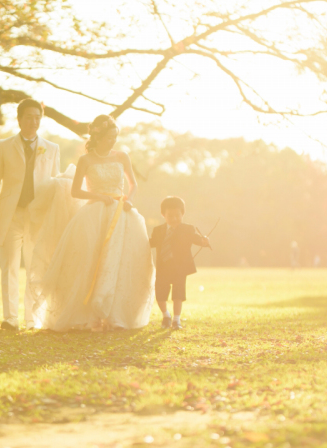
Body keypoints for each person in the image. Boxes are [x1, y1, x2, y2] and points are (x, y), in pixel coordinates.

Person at [33, 115, 154, 332]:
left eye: (115, 137)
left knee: (119, 261)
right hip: (94, 213)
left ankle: (115, 314)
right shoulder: (86, 160)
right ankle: (88, 314)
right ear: (97, 136)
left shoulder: (122, 156)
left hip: (120, 211)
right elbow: (76, 190)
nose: (113, 141)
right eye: (109, 137)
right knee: (90, 259)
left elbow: (133, 184)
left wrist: (129, 200)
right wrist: (99, 197)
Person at [0, 99, 61, 331]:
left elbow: (56, 183)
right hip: (11, 213)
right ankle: (10, 319)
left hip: (39, 214)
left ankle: (32, 318)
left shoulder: (52, 148)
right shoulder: (4, 145)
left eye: (38, 117)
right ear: (19, 119)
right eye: (29, 117)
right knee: (9, 265)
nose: (33, 121)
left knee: (36, 265)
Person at [150, 196, 210, 330]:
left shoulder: (187, 229)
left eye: (178, 215)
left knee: (178, 294)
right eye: (170, 215)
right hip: (163, 267)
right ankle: (166, 315)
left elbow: (197, 239)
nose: (174, 218)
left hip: (179, 268)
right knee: (160, 294)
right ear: (163, 215)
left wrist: (203, 241)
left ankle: (176, 319)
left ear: (182, 213)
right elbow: (151, 243)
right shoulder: (158, 231)